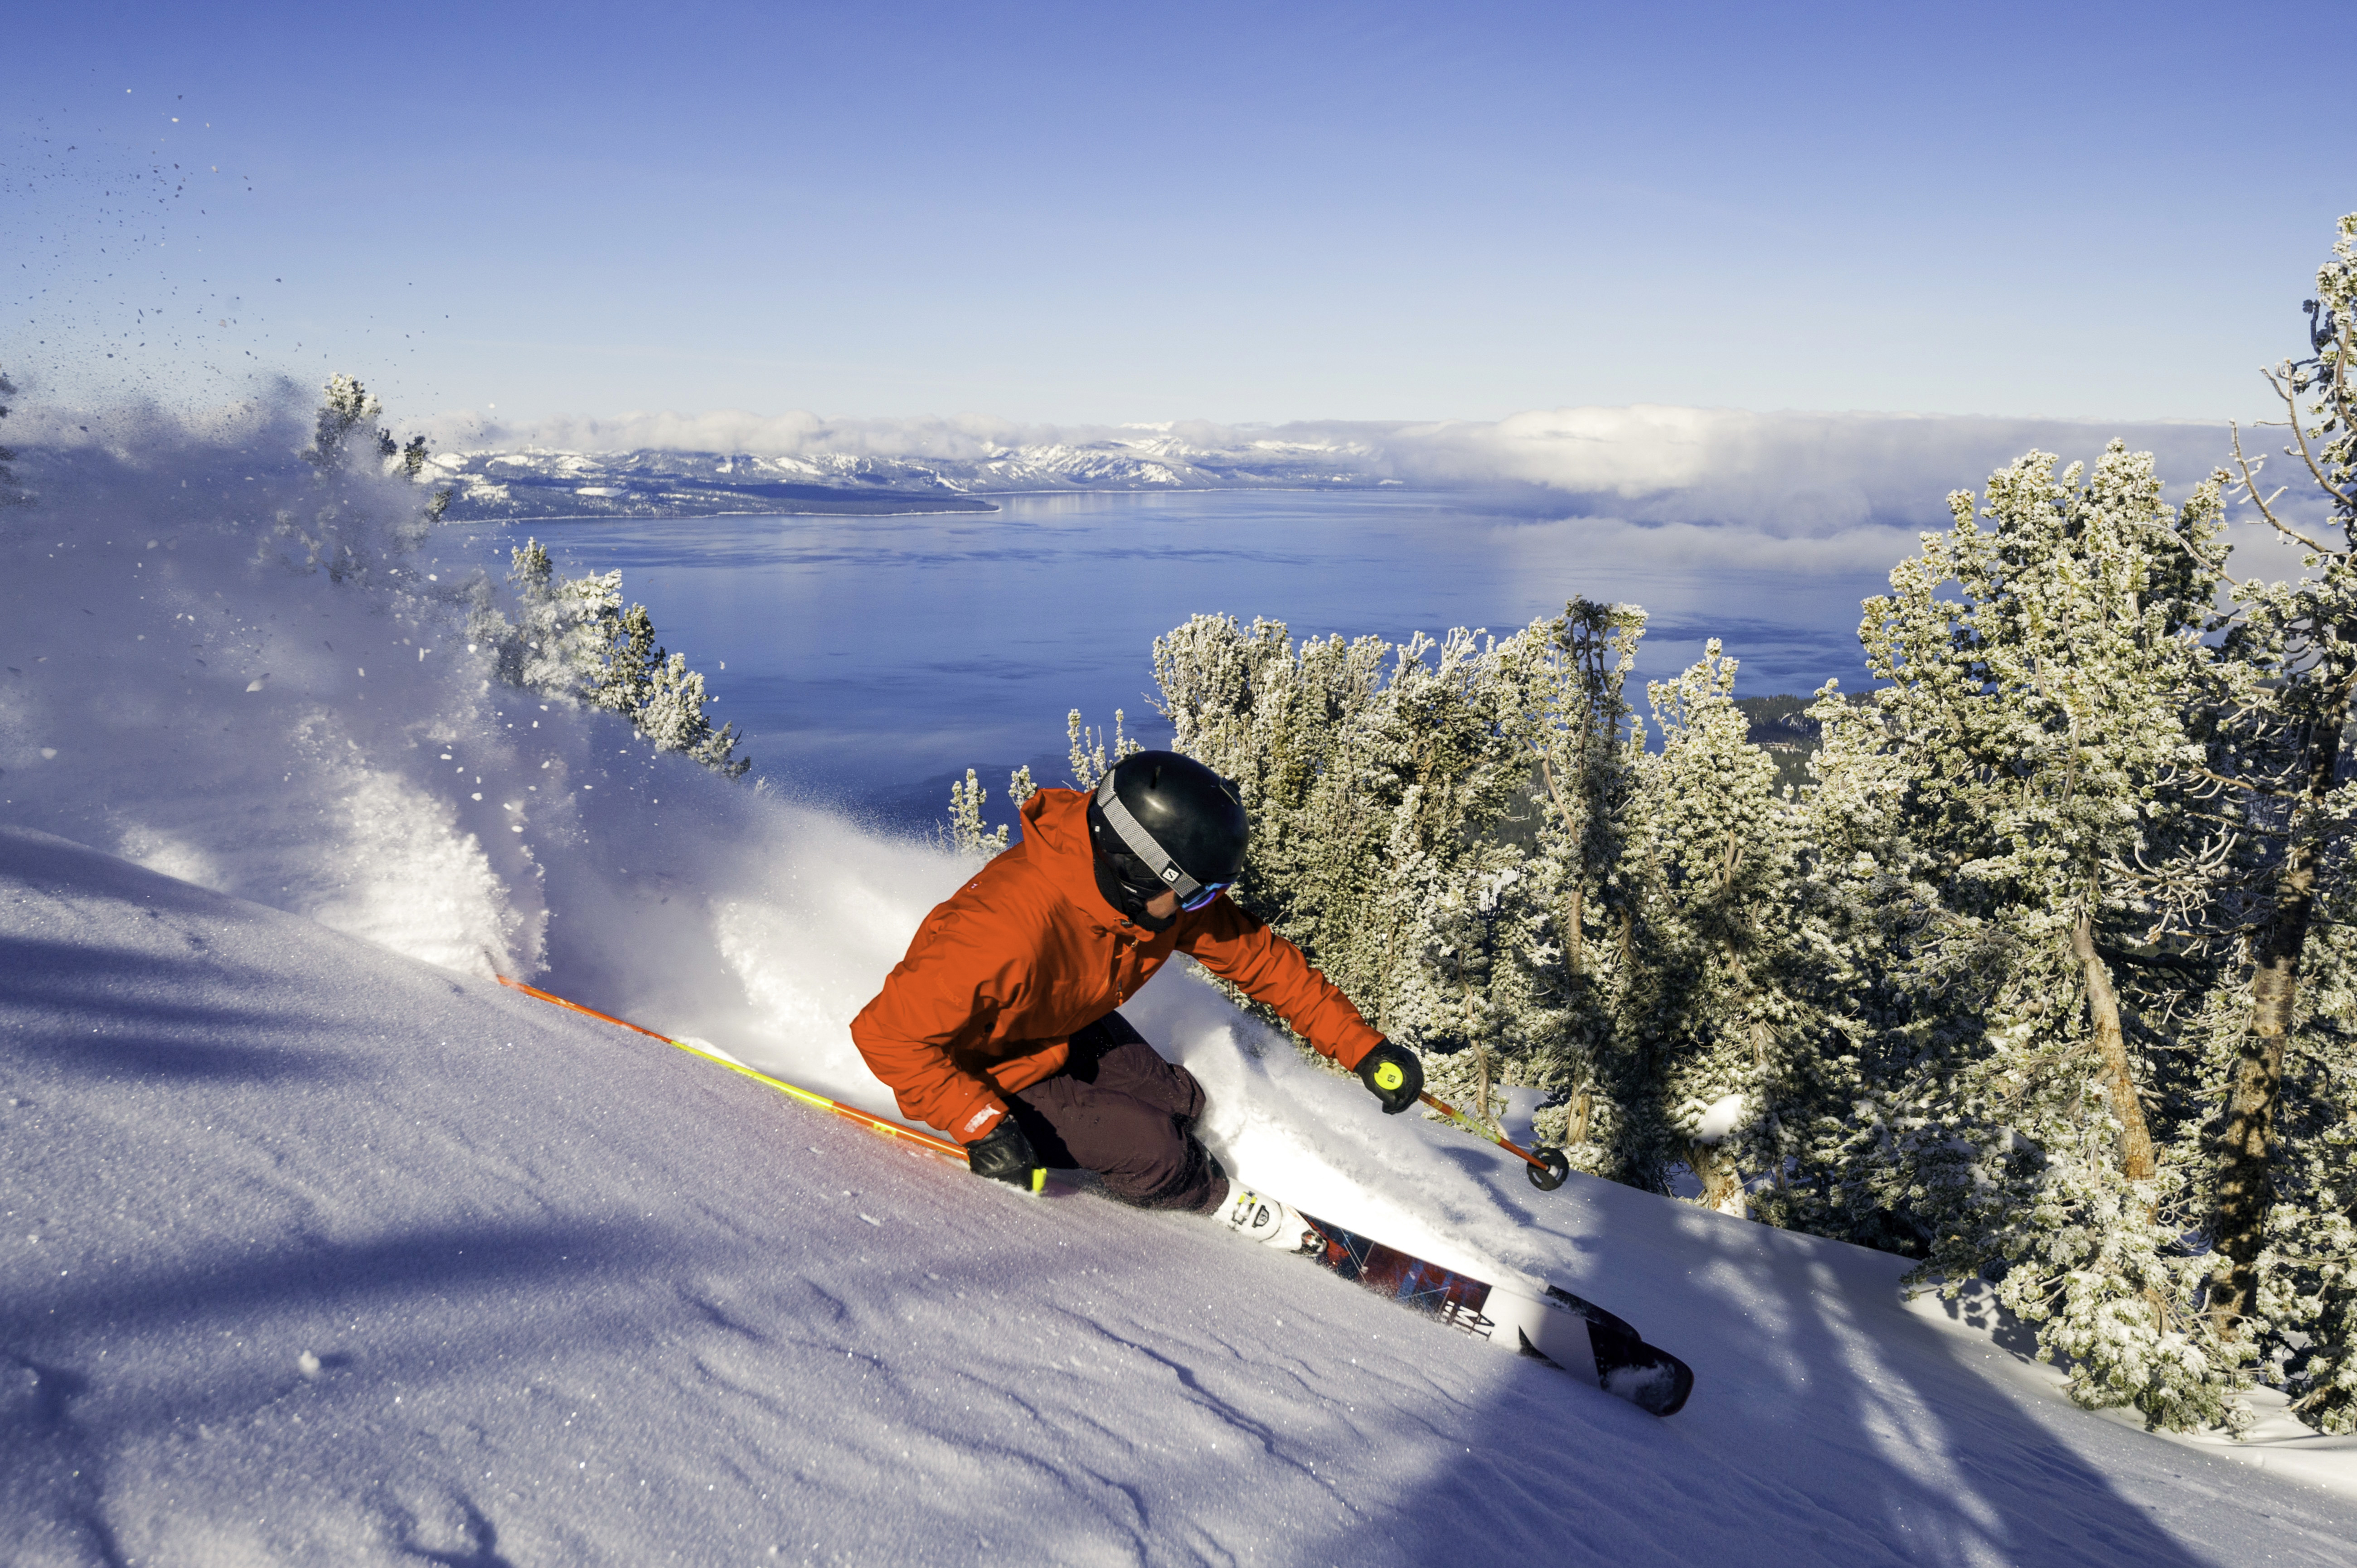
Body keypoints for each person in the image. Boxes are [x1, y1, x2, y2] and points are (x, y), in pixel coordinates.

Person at [850, 750, 1423, 1236]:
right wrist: (980, 1124)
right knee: (1159, 1158)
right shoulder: (1000, 932)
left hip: (1059, 1027)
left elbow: (1262, 959)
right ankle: (1214, 1206)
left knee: (1183, 1101)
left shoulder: (1155, 905)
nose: (1202, 908)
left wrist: (1363, 1049)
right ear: (1137, 870)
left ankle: (1182, 1160)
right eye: (1197, 892)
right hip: (988, 1069)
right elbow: (885, 1034)